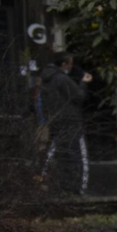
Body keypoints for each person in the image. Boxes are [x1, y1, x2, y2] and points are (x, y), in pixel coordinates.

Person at [40, 53, 92, 195]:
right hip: (71, 122)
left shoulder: (47, 79)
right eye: (70, 63)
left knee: (58, 154)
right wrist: (84, 82)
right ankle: (79, 189)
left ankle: (58, 186)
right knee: (78, 156)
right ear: (63, 64)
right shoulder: (62, 79)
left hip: (56, 122)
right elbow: (79, 96)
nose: (71, 66)